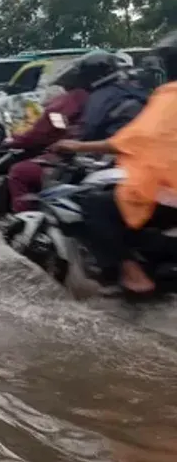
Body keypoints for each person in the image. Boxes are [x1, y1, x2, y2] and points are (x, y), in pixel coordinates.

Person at [50, 31, 177, 295]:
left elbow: (136, 138)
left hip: (166, 191)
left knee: (95, 203)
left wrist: (78, 146)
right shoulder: (139, 92)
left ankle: (132, 272)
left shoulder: (169, 97)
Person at [4, 53, 123, 212]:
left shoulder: (76, 98)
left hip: (80, 159)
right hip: (111, 160)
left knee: (19, 172)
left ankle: (23, 221)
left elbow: (43, 132)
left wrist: (15, 140)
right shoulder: (121, 94)